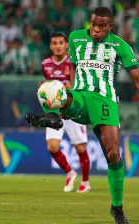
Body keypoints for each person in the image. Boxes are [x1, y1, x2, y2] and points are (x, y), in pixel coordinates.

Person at [26, 7, 139, 224]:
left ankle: (117, 207)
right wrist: (68, 94)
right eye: (93, 25)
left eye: (101, 26)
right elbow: (72, 68)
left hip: (105, 100)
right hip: (80, 96)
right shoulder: (75, 38)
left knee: (113, 155)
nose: (95, 30)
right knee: (52, 87)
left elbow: (138, 79)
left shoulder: (120, 46)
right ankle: (54, 114)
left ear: (110, 27)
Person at [41, 32, 91, 193]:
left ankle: (86, 182)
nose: (57, 46)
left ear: (66, 45)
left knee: (80, 149)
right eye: (54, 43)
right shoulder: (45, 64)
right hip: (55, 112)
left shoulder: (72, 62)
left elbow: (76, 87)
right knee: (52, 147)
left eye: (60, 43)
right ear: (50, 46)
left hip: (72, 110)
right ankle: (70, 172)